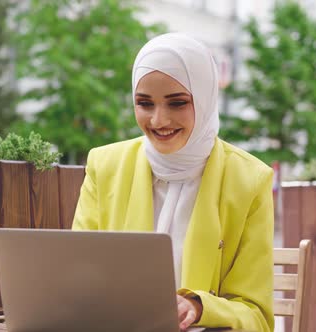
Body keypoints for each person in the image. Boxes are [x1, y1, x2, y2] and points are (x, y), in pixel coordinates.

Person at [72, 33, 274, 332]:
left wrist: (199, 306)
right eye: (144, 103)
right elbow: (76, 278)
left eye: (177, 103)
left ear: (205, 98)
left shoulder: (249, 180)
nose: (158, 120)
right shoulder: (105, 166)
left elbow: (256, 316)